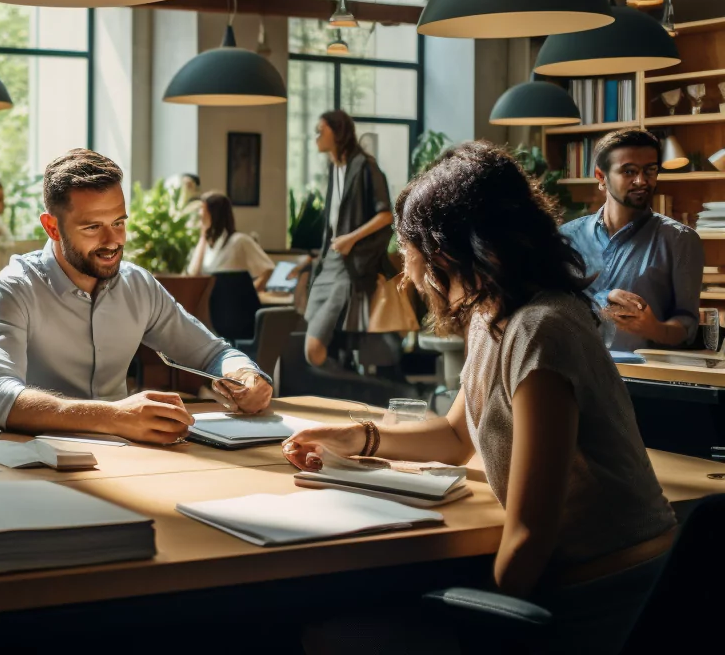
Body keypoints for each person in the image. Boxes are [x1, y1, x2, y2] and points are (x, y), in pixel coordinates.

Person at [286, 142, 676, 654]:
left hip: (608, 604)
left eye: (410, 254)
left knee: (326, 637)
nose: (408, 275)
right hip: (573, 586)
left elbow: (530, 535)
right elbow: (454, 437)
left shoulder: (541, 328)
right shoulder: (493, 316)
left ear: (445, 252)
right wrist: (359, 437)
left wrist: (475, 621)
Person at [0, 149, 271, 444]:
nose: (112, 241)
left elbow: (213, 354)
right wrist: (113, 416)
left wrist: (244, 376)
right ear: (52, 227)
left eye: (119, 223)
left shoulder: (138, 286)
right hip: (35, 464)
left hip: (129, 458)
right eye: (92, 227)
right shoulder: (8, 291)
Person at [560, 129, 702, 352]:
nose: (641, 181)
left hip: (641, 380)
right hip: (575, 374)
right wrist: (601, 299)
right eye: (629, 171)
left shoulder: (680, 240)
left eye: (650, 171)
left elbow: (687, 324)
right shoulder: (567, 238)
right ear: (601, 176)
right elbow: (551, 306)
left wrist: (654, 328)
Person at [289, 110, 396, 367]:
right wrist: (314, 258)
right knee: (316, 347)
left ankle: (354, 390)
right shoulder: (334, 168)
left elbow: (385, 215)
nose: (316, 136)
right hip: (328, 265)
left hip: (349, 267)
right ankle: (347, 390)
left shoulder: (364, 165)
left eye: (320, 130)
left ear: (337, 132)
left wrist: (350, 239)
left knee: (314, 348)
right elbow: (332, 224)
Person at [186, 191, 275, 291]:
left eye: (203, 211)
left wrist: (250, 293)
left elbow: (269, 269)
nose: (200, 215)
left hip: (233, 303)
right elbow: (193, 274)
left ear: (214, 214)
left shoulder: (239, 241)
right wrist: (203, 237)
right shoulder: (208, 246)